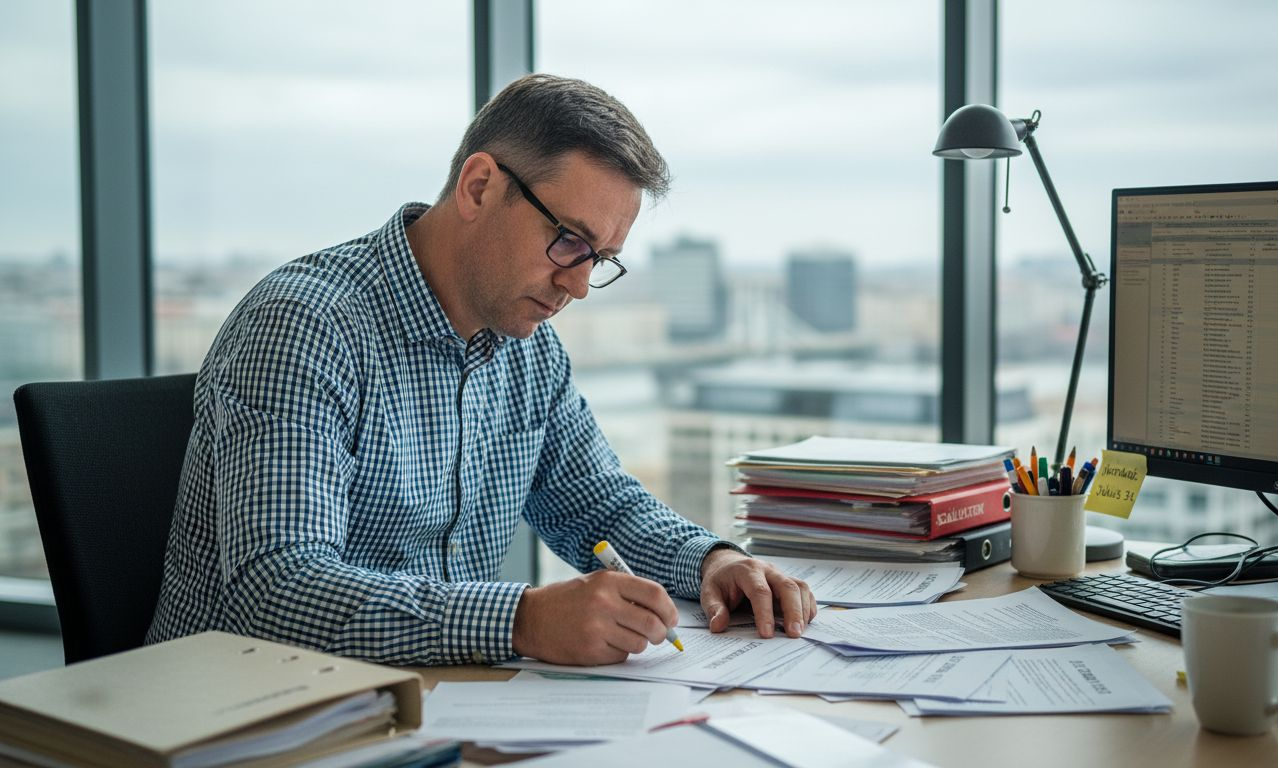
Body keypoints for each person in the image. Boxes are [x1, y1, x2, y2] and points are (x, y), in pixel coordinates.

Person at [147, 73, 815, 666]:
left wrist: (713, 560)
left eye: (600, 258)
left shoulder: (528, 347)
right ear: (478, 186)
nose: (578, 286)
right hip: (249, 717)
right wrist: (520, 620)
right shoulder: (305, 327)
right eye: (569, 241)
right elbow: (278, 590)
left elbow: (597, 506)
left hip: (438, 703)